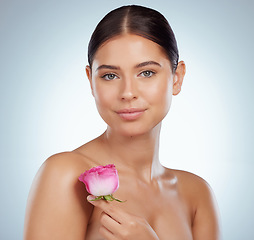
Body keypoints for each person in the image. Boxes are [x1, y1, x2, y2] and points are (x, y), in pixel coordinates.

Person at [24, 5, 221, 240]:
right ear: (91, 81)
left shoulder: (198, 194)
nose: (128, 93)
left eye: (146, 73)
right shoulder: (67, 176)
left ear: (176, 78)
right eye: (110, 75)